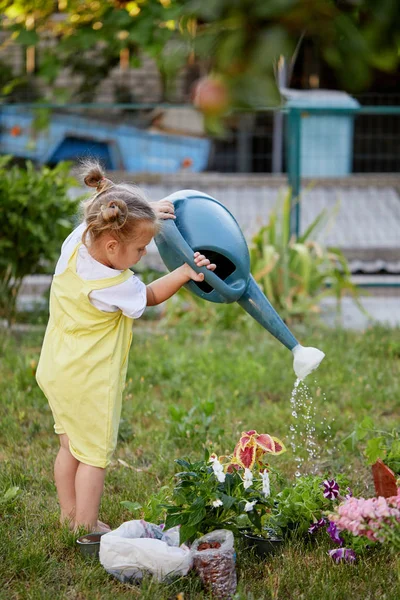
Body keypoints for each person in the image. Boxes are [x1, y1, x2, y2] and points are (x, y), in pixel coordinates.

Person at [36, 162, 216, 533]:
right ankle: (85, 527)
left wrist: (146, 209)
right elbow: (148, 295)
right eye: (139, 248)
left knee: (69, 447)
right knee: (94, 457)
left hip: (56, 368)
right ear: (114, 245)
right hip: (89, 381)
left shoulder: (79, 240)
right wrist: (183, 272)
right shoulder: (114, 284)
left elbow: (117, 213)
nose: (144, 253)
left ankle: (68, 515)